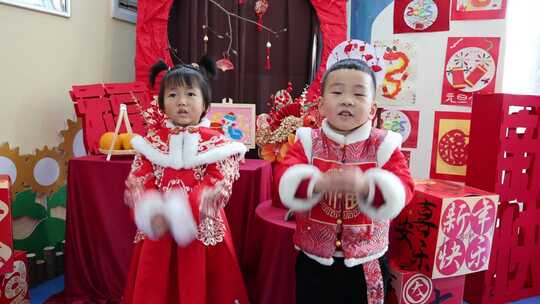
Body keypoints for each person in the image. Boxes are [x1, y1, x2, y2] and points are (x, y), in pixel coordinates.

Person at [275, 58, 415, 304]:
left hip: (366, 263)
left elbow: (404, 186)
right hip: (313, 259)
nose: (347, 100)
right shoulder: (307, 141)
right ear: (320, 106)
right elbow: (284, 177)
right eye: (337, 92)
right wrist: (316, 184)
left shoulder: (384, 145)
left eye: (359, 94)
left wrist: (367, 187)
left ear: (372, 109)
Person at [122, 58, 249, 304]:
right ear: (162, 104)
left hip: (201, 229)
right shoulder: (150, 144)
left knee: (203, 286)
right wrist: (152, 211)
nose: (181, 101)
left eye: (190, 94)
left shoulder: (217, 144)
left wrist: (185, 211)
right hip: (158, 231)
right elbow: (139, 179)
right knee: (156, 285)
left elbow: (218, 182)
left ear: (204, 104)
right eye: (172, 94)